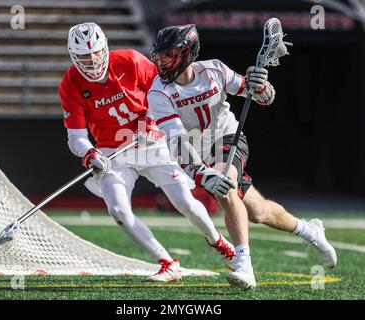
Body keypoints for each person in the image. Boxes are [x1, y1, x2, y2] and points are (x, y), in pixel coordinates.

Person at [147, 24, 337, 289]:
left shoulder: (214, 70)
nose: (161, 61)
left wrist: (261, 86)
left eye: (168, 55)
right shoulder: (158, 93)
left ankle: (244, 264)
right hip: (198, 152)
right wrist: (202, 174)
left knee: (226, 187)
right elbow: (178, 142)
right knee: (258, 212)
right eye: (159, 55)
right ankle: (310, 231)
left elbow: (262, 96)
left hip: (228, 138)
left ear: (187, 53)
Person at [59, 22, 238, 282]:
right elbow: (76, 138)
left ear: (105, 47)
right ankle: (167, 262)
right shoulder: (70, 84)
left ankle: (220, 243)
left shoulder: (131, 60)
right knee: (118, 211)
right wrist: (90, 154)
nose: (93, 60)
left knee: (184, 201)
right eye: (85, 56)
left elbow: (164, 92)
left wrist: (152, 121)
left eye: (96, 52)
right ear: (74, 56)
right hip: (112, 151)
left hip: (151, 140)